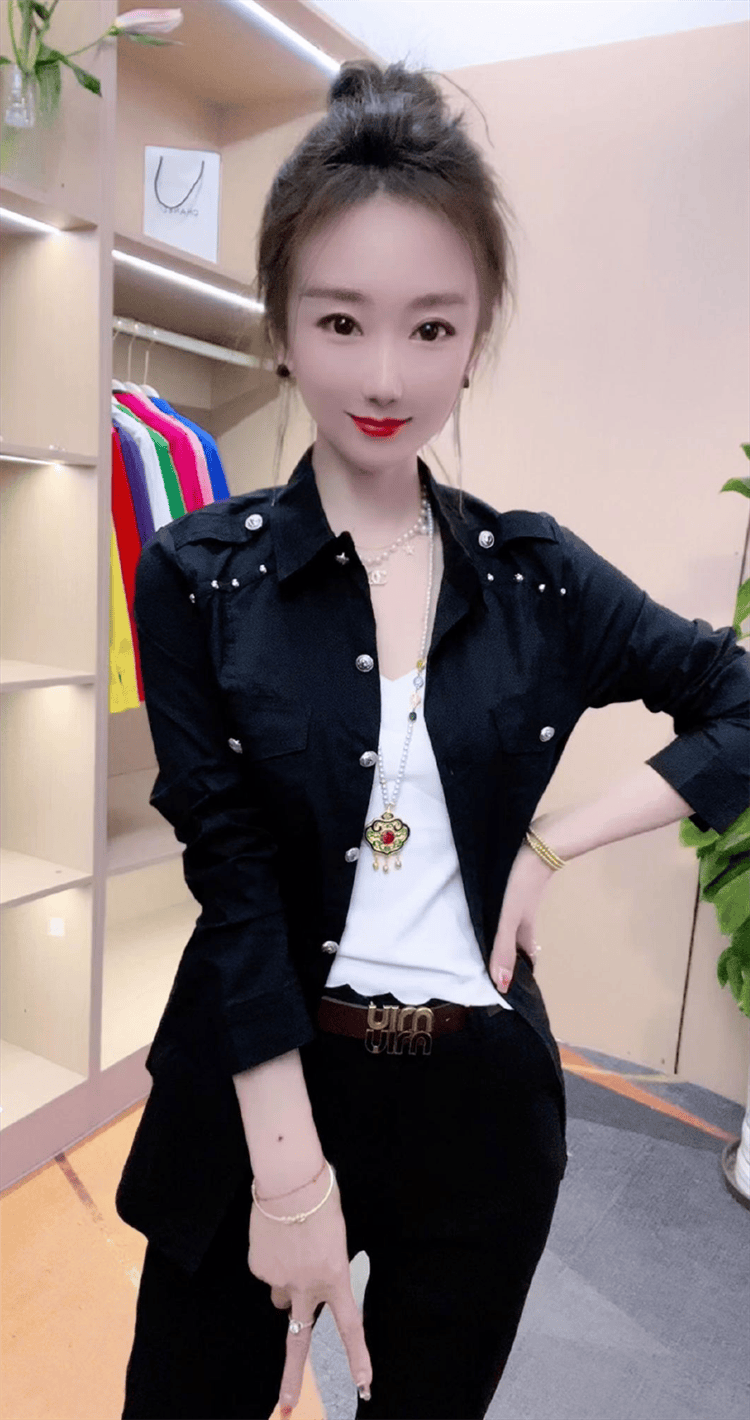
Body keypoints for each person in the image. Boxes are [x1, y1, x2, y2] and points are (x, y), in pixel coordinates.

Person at [116, 59, 750, 1420]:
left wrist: (548, 846)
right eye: (340, 320)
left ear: (477, 335)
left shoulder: (538, 578)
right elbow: (232, 882)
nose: (386, 374)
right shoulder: (198, 577)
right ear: (281, 328)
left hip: (477, 1118)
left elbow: (737, 698)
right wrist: (291, 1179)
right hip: (257, 1090)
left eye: (432, 326)